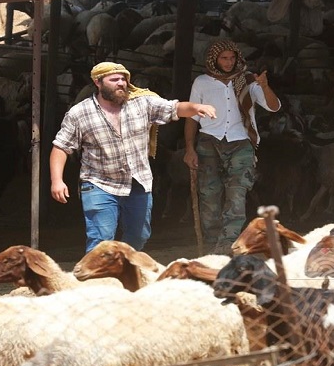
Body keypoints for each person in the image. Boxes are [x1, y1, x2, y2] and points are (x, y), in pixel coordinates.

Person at [50, 61, 216, 252]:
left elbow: (174, 108)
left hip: (137, 182)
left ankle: (123, 265)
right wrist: (57, 180)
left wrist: (195, 107)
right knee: (101, 241)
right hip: (99, 184)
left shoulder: (142, 103)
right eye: (114, 80)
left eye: (123, 79)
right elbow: (61, 147)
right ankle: (100, 271)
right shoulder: (79, 113)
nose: (121, 83)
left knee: (139, 236)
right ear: (98, 82)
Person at [183, 39, 281, 253]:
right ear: (214, 60)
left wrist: (264, 87)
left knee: (237, 194)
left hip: (240, 142)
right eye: (224, 58)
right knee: (209, 195)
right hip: (209, 141)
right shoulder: (201, 82)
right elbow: (192, 117)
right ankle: (213, 243)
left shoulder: (248, 81)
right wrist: (189, 149)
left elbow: (273, 107)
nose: (228, 62)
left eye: (232, 58)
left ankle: (227, 245)